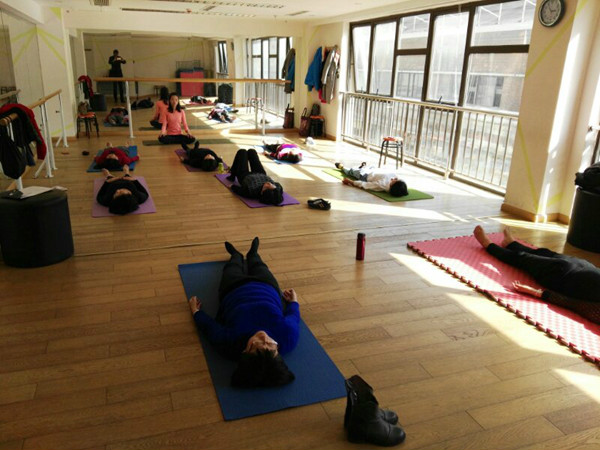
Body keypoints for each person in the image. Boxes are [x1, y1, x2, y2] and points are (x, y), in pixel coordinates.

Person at [188, 237, 299, 387]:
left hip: (233, 288)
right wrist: (294, 302)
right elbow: (293, 316)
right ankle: (253, 253)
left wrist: (195, 311)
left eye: (256, 344)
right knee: (258, 265)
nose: (263, 337)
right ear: (277, 351)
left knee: (232, 266)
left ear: (245, 352)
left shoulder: (229, 344)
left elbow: (209, 328)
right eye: (271, 345)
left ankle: (236, 255)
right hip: (266, 285)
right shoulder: (288, 336)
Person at [474, 226, 600, 324]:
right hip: (584, 267)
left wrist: (535, 292)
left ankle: (489, 245)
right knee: (545, 253)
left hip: (560, 276)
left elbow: (572, 303)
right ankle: (511, 244)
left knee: (523, 258)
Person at [336, 162, 408, 197]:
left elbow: (366, 185)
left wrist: (350, 182)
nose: (395, 179)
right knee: (363, 167)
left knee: (351, 171)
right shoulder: (395, 180)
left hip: (365, 175)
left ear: (392, 186)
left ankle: (342, 168)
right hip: (373, 170)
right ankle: (362, 167)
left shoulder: (381, 184)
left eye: (395, 181)